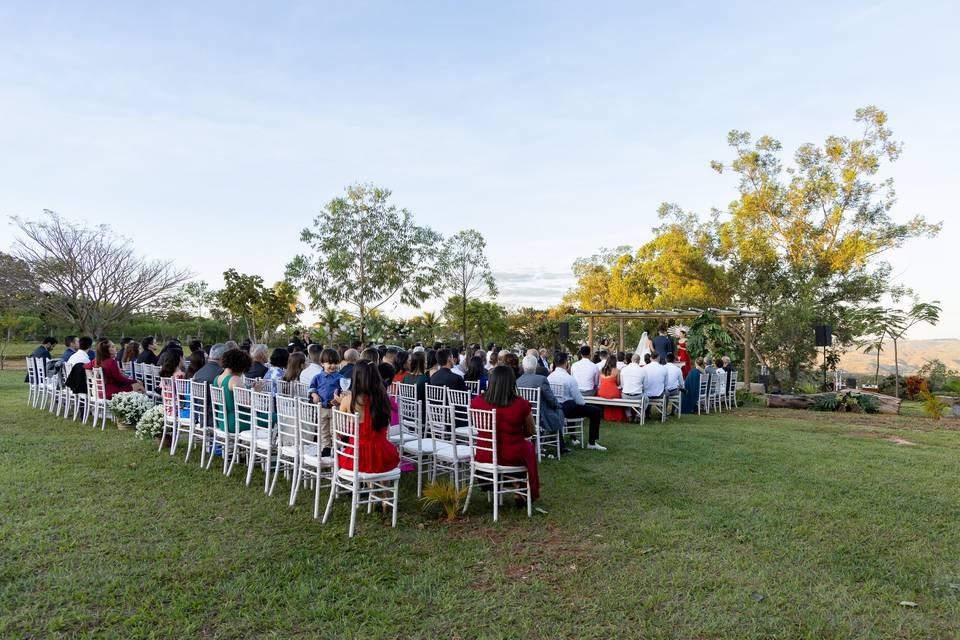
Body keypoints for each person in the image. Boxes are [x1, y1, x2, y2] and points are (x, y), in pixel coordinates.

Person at [470, 365, 540, 502]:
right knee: (529, 448)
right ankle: (520, 487)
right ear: (512, 382)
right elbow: (531, 431)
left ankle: (515, 483)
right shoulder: (521, 404)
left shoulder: (477, 401)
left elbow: (478, 426)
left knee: (524, 449)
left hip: (484, 453)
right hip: (511, 454)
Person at [337, 360, 400, 474]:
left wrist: (342, 401)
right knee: (382, 464)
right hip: (382, 454)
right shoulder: (384, 399)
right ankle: (382, 491)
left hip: (355, 457)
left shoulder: (347, 401)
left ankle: (364, 486)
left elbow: (341, 432)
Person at [547, 352, 606, 451]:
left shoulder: (549, 377)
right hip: (566, 409)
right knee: (595, 411)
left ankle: (572, 436)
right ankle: (592, 442)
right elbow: (579, 401)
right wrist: (585, 404)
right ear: (566, 363)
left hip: (554, 409)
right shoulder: (569, 379)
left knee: (573, 405)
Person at [517, 355, 567, 453]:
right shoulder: (541, 379)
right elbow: (551, 399)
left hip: (523, 417)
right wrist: (558, 406)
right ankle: (560, 446)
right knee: (558, 411)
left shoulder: (517, 381)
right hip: (539, 417)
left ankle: (546, 443)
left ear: (523, 366)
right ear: (536, 366)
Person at [309, 348, 343, 457]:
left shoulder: (340, 377)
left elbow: (344, 391)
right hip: (322, 407)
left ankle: (336, 448)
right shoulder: (317, 377)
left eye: (335, 363)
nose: (332, 366)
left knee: (334, 429)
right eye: (329, 363)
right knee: (324, 429)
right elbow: (311, 388)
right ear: (322, 363)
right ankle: (326, 447)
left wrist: (339, 397)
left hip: (335, 407)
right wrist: (314, 395)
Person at [213, 349, 253, 433]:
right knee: (275, 417)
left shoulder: (217, 378)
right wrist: (257, 393)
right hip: (237, 422)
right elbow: (248, 404)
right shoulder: (235, 379)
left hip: (222, 421)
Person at [597, 354, 626, 422]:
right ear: (615, 362)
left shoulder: (602, 370)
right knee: (619, 395)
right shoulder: (617, 370)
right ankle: (616, 416)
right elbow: (618, 383)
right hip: (613, 392)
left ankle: (607, 415)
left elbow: (600, 382)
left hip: (602, 392)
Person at [643, 351, 668, 418]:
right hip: (659, 394)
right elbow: (666, 384)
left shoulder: (644, 368)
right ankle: (663, 413)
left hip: (647, 394)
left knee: (646, 390)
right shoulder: (664, 368)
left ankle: (647, 413)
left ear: (650, 358)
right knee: (667, 393)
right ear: (659, 358)